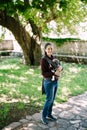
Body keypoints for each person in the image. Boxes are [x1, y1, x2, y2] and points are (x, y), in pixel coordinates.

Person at [40, 42, 63, 125]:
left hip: (55, 81)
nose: (50, 50)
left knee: (52, 100)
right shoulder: (43, 60)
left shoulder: (54, 58)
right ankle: (43, 116)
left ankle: (49, 114)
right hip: (48, 82)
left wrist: (61, 68)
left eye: (51, 49)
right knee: (49, 99)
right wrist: (54, 73)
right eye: (48, 48)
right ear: (45, 50)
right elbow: (43, 73)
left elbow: (59, 66)